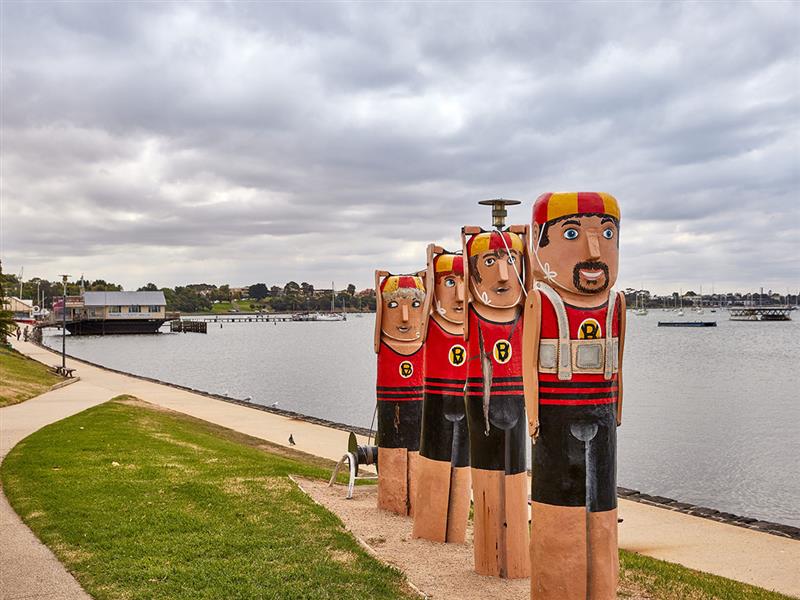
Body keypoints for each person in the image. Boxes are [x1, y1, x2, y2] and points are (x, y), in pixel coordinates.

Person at [522, 192, 626, 600]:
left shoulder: (617, 303)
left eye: (607, 233)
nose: (594, 251)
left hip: (601, 419)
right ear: (537, 242)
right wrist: (534, 413)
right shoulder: (541, 300)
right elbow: (528, 363)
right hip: (554, 419)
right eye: (571, 233)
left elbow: (620, 359)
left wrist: (618, 406)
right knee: (558, 517)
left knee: (601, 516)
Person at [462, 228, 531, 578]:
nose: (503, 274)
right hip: (481, 402)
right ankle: (490, 562)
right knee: (489, 485)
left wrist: (526, 237)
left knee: (518, 482)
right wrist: (463, 243)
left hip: (517, 400)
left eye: (511, 261)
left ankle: (518, 559)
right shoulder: (470, 316)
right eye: (490, 262)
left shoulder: (527, 315)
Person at [413, 248, 470, 544]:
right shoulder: (430, 322)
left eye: (465, 281)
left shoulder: (477, 326)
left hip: (468, 400)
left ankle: (456, 526)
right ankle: (430, 529)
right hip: (436, 402)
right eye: (450, 282)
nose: (460, 295)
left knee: (463, 467)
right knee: (435, 458)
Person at [374, 272, 430, 516]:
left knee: (419, 449)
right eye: (393, 305)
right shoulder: (384, 346)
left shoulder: (424, 345)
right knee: (392, 451)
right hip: (389, 405)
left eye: (415, 305)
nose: (405, 317)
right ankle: (393, 502)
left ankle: (417, 500)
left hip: (419, 404)